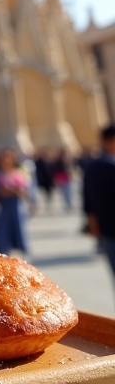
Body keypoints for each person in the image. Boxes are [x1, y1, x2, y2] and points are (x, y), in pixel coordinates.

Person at [83, 124, 115, 294]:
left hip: (106, 229)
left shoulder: (92, 166)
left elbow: (87, 201)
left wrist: (93, 225)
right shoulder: (110, 165)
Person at [0, 148, 30, 257]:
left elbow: (25, 191)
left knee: (18, 228)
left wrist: (13, 191)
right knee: (3, 229)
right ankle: (3, 249)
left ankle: (21, 248)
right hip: (3, 206)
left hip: (16, 206)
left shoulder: (19, 173)